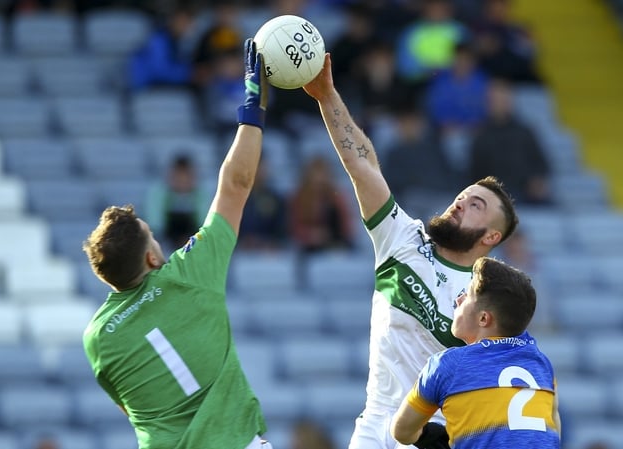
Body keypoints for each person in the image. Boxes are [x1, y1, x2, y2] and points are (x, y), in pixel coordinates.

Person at [303, 53, 519, 449]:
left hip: (434, 436)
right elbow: (362, 163)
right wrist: (326, 96)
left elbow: (494, 387)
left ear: (490, 237)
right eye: (462, 196)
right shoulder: (402, 238)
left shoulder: (486, 295)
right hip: (374, 425)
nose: (460, 203)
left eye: (476, 206)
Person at [82, 39, 272, 449]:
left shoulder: (97, 337)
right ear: (152, 256)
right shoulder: (189, 272)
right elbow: (236, 186)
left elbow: (129, 407)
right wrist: (252, 110)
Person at [390, 256, 560, 449]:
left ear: (483, 318)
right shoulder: (542, 365)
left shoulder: (447, 366)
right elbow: (554, 432)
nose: (458, 299)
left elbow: (401, 432)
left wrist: (429, 435)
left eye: (467, 295)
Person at [467, 79, 552, 205]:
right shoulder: (480, 135)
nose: (499, 103)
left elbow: (541, 164)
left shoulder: (525, 132)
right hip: (493, 199)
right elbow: (473, 174)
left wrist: (537, 181)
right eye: (495, 100)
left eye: (503, 99)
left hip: (526, 194)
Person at [142, 154, 207, 250]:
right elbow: (155, 227)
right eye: (179, 178)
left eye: (186, 177)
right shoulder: (158, 193)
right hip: (166, 244)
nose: (183, 182)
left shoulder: (201, 195)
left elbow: (204, 226)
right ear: (171, 176)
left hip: (193, 242)